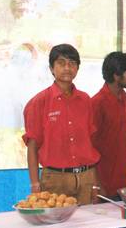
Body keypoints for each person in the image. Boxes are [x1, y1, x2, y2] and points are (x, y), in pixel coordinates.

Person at [22, 44, 101, 205]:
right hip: (55, 180)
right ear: (52, 68)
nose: (67, 68)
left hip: (86, 177)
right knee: (55, 221)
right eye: (61, 63)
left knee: (88, 220)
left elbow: (91, 143)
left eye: (72, 63)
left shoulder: (85, 100)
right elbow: (32, 146)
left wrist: (95, 183)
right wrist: (35, 184)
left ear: (77, 68)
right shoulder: (39, 102)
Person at [91, 51, 126, 199]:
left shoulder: (123, 98)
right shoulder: (97, 103)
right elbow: (89, 148)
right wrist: (96, 184)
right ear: (116, 76)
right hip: (103, 183)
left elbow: (120, 138)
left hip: (122, 181)